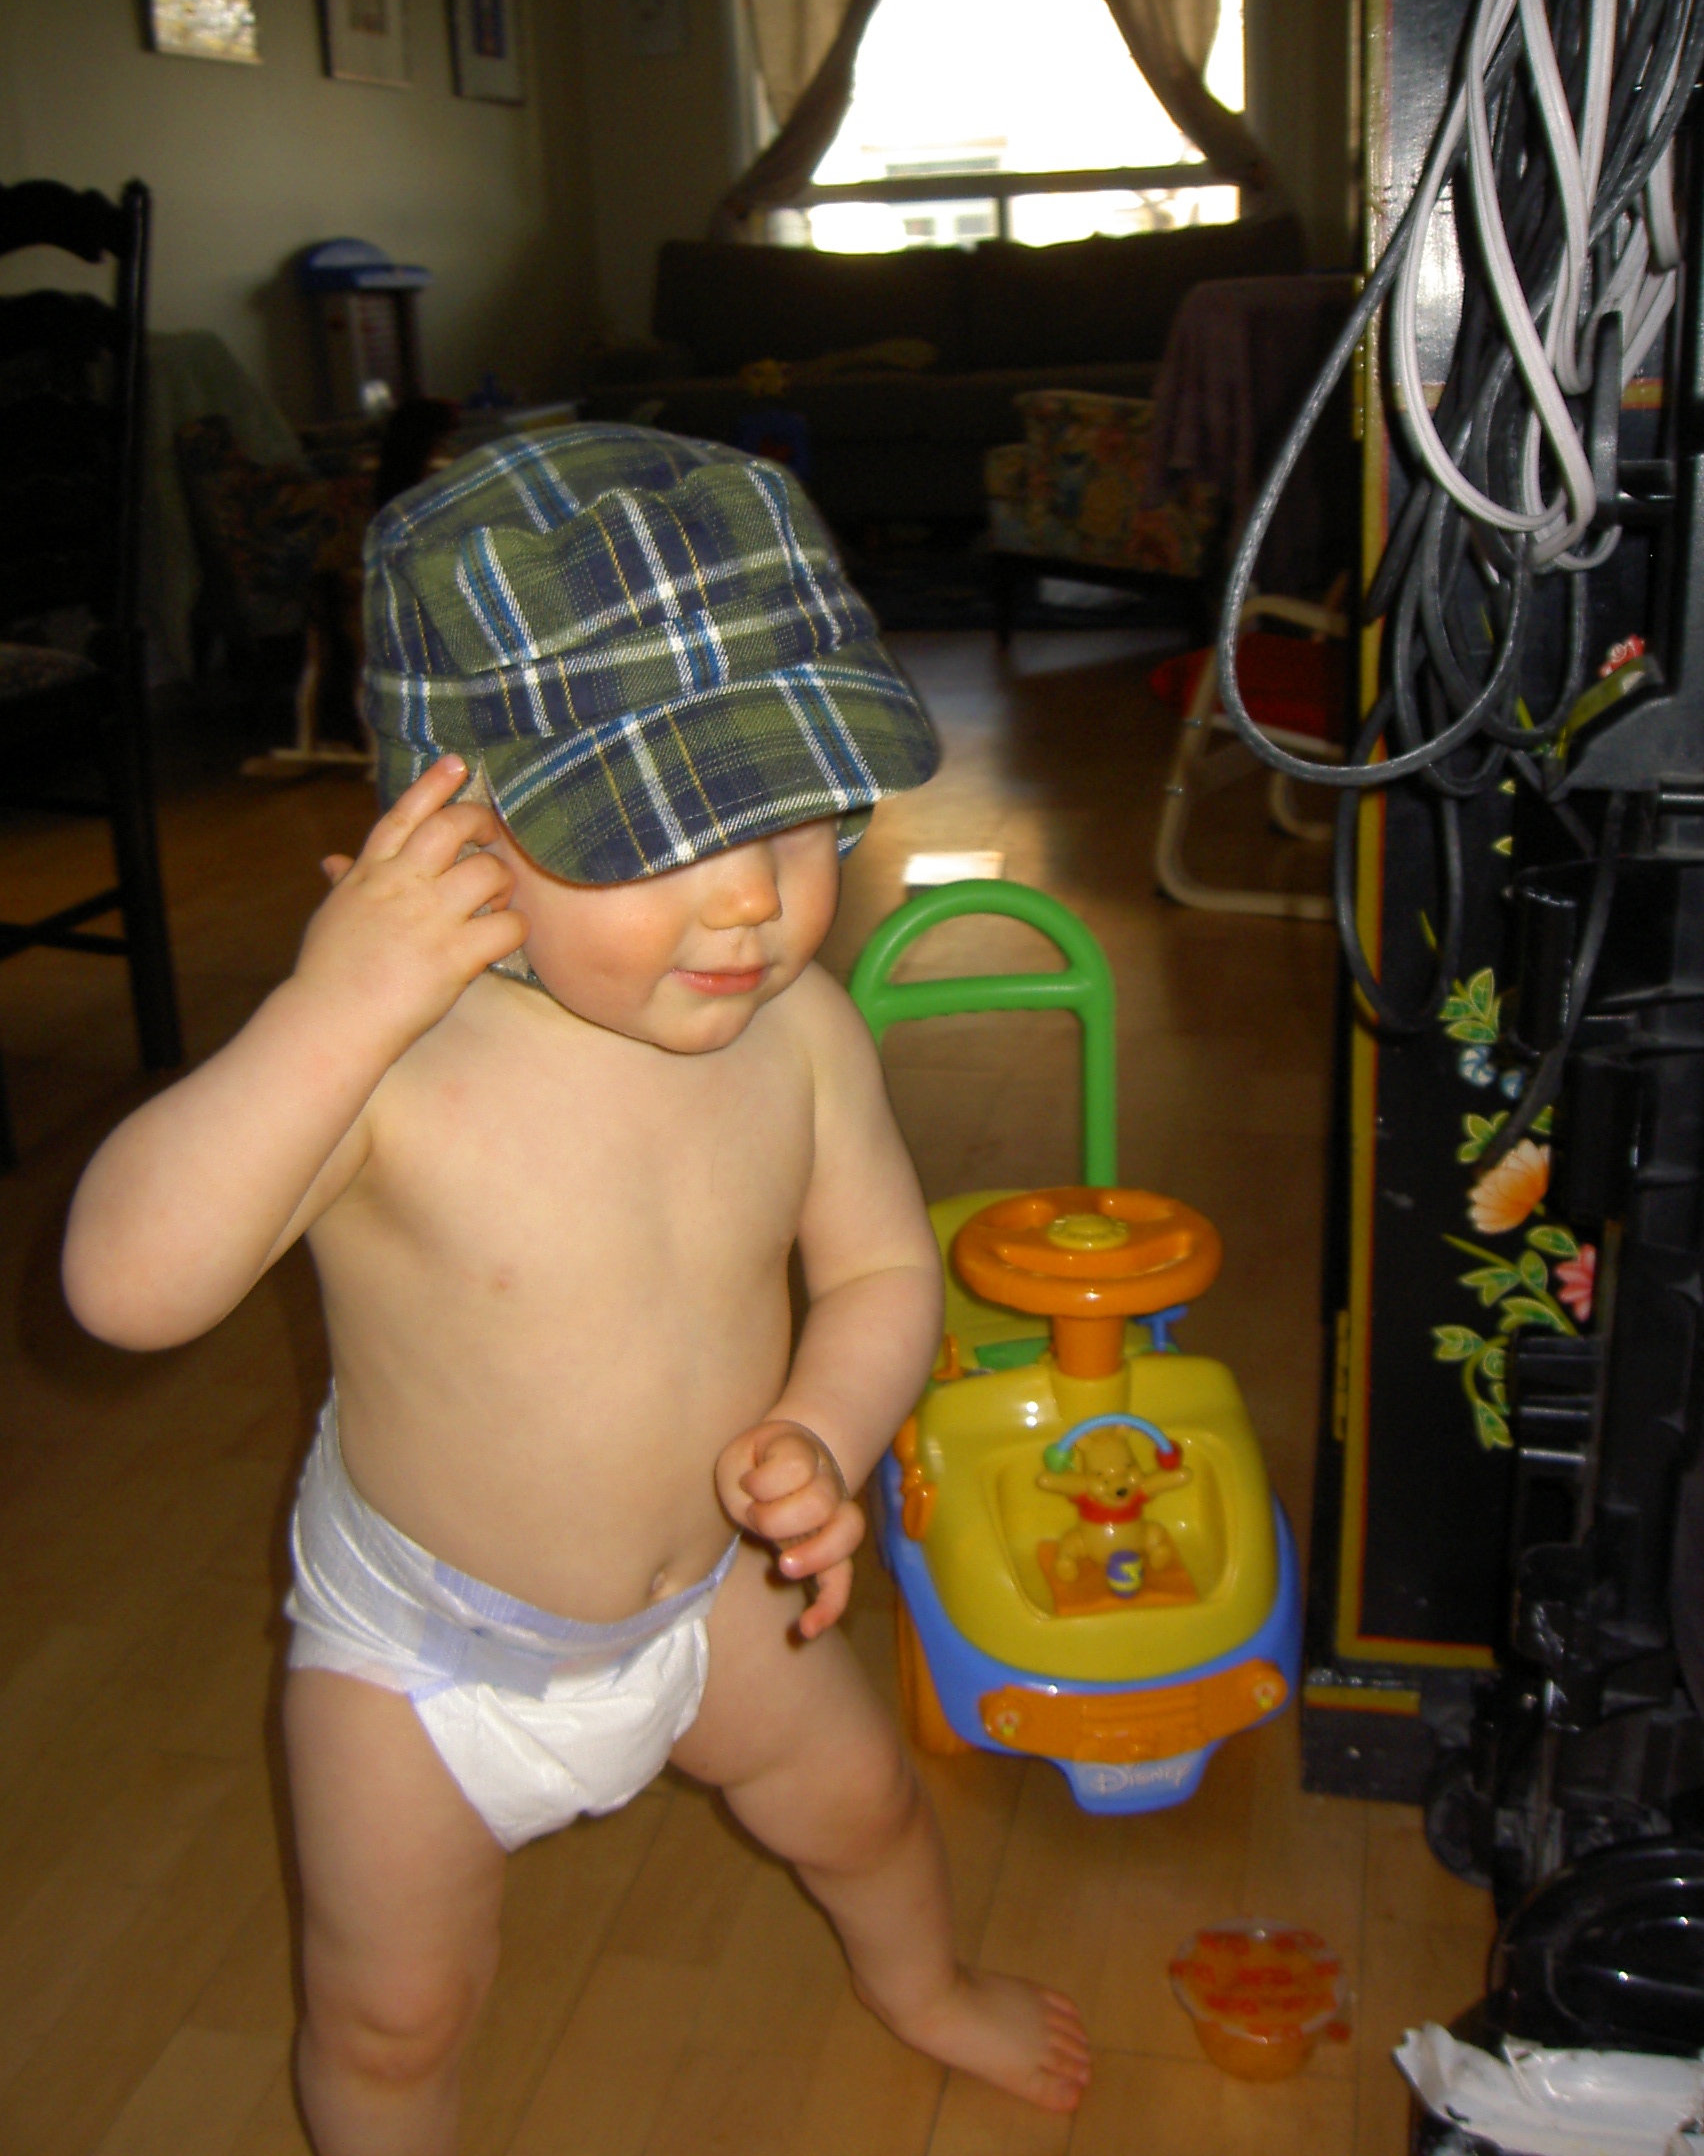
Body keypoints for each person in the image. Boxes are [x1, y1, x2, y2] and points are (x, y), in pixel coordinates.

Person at [63, 425, 1092, 2154]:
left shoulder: (802, 1033)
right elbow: (125, 1287)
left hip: (707, 1597)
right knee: (393, 2015)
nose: (750, 897)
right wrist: (330, 1013)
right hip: (426, 1661)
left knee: (864, 1812)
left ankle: (920, 1985)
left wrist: (824, 1434)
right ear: (447, 842)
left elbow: (877, 1268)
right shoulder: (382, 1072)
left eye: (785, 807)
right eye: (656, 837)